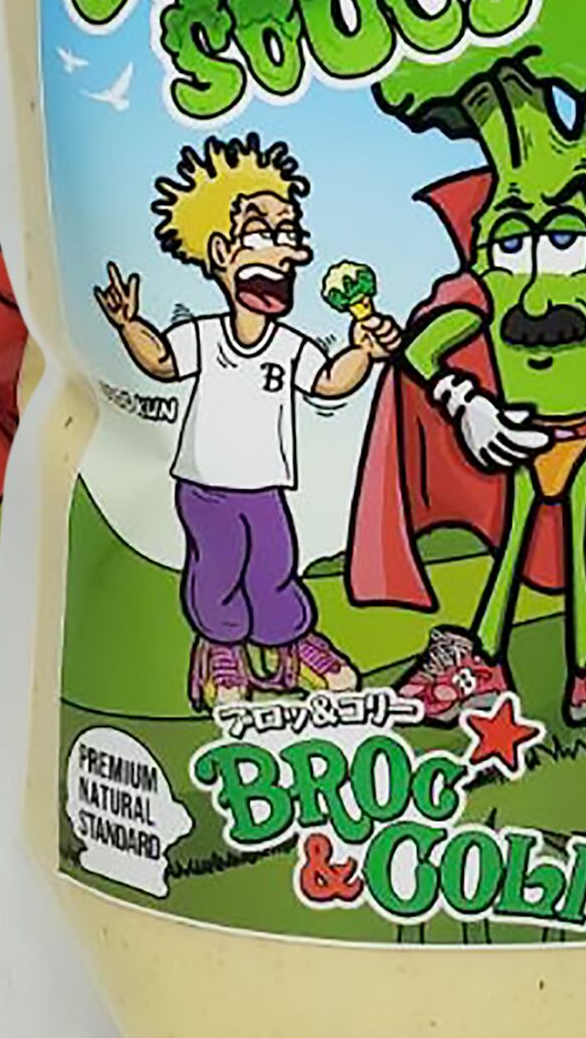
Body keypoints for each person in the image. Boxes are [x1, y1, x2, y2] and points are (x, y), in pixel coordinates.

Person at [97, 137, 395, 707]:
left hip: (266, 488)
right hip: (205, 489)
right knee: (217, 571)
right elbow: (161, 364)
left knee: (273, 568)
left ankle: (292, 643)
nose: (284, 252)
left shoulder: (289, 344)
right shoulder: (204, 335)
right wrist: (128, 324)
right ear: (219, 254)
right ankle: (221, 649)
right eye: (261, 235)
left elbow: (328, 382)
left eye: (288, 234)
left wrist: (363, 350)